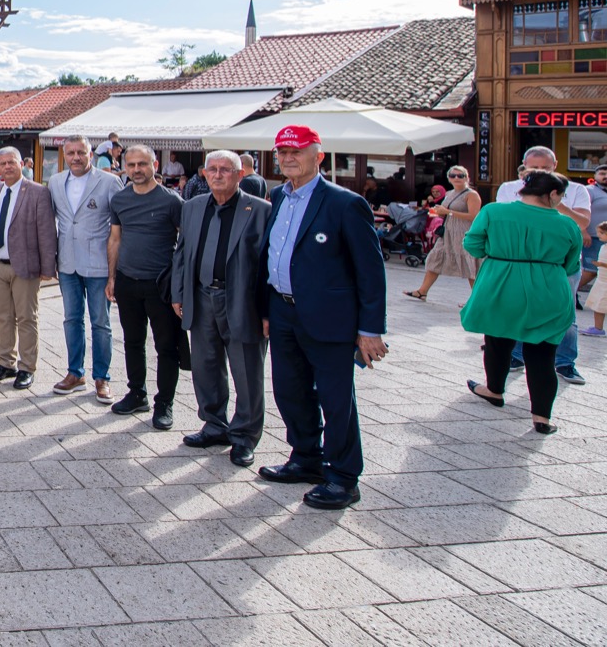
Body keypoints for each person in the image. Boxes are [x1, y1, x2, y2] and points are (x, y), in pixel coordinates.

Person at [258, 124, 387, 511]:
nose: (288, 158)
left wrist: (370, 329)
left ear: (319, 156)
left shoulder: (344, 203)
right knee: (290, 391)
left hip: (330, 316)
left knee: (335, 399)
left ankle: (343, 477)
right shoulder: (277, 196)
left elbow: (371, 270)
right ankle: (305, 458)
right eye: (282, 152)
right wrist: (266, 310)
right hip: (283, 310)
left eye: (296, 151)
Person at [171, 150, 270, 468]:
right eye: (211, 169)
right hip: (201, 297)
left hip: (242, 300)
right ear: (203, 174)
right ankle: (215, 425)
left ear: (240, 175)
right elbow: (182, 252)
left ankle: (244, 437)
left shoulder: (260, 210)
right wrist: (179, 292)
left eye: (225, 169)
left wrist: (267, 311)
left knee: (246, 371)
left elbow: (268, 265)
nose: (217, 175)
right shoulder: (193, 206)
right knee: (206, 366)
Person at [462, 171, 576, 433]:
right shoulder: (567, 224)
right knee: (543, 354)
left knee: (497, 340)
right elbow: (570, 264)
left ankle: (494, 390)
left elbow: (473, 245)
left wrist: (501, 252)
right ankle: (542, 418)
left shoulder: (493, 211)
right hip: (548, 290)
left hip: (500, 283)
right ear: (553, 194)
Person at [106, 145, 186, 429]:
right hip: (127, 281)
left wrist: (180, 284)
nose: (137, 169)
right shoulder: (120, 199)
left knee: (166, 346)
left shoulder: (171, 201)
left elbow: (186, 242)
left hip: (160, 284)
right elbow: (115, 239)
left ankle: (164, 403)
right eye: (131, 165)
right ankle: (137, 393)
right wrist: (112, 277)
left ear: (154, 165)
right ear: (125, 167)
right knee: (132, 341)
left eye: (142, 164)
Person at [495, 147, 589, 385]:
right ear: (523, 165)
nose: (539, 173)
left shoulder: (575, 189)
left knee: (566, 311)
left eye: (545, 168)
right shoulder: (509, 188)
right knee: (520, 307)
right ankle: (517, 355)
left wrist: (554, 199)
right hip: (523, 259)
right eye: (533, 168)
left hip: (561, 260)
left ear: (555, 165)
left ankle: (565, 361)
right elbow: (506, 221)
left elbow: (582, 222)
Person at [48, 135, 122, 402]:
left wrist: (114, 272)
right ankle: (75, 373)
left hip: (98, 264)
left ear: (91, 154)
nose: (76, 157)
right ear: (64, 155)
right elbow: (51, 222)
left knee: (100, 323)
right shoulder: (56, 182)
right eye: (70, 153)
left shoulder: (109, 182)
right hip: (68, 263)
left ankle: (102, 377)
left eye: (81, 152)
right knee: (72, 319)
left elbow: (119, 229)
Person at [0, 147, 57, 390]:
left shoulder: (37, 192)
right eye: (2, 163)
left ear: (21, 164)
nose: (7, 167)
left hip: (24, 266)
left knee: (26, 317)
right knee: (2, 317)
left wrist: (48, 267)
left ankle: (27, 367)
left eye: (11, 162)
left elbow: (46, 232)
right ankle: (6, 362)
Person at [405, 166, 481, 302]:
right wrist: (438, 212)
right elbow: (445, 212)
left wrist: (448, 212)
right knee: (435, 259)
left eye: (460, 175)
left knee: (469, 265)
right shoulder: (449, 193)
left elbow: (474, 216)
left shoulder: (471, 195)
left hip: (463, 232)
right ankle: (422, 291)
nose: (456, 178)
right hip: (447, 231)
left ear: (466, 178)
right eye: (453, 175)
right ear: (449, 178)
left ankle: (477, 300)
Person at [578, 165, 607, 301]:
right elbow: (580, 211)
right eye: (602, 173)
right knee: (591, 270)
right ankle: (568, 293)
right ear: (595, 176)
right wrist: (583, 231)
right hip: (593, 237)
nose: (605, 176)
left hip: (605, 239)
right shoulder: (589, 191)